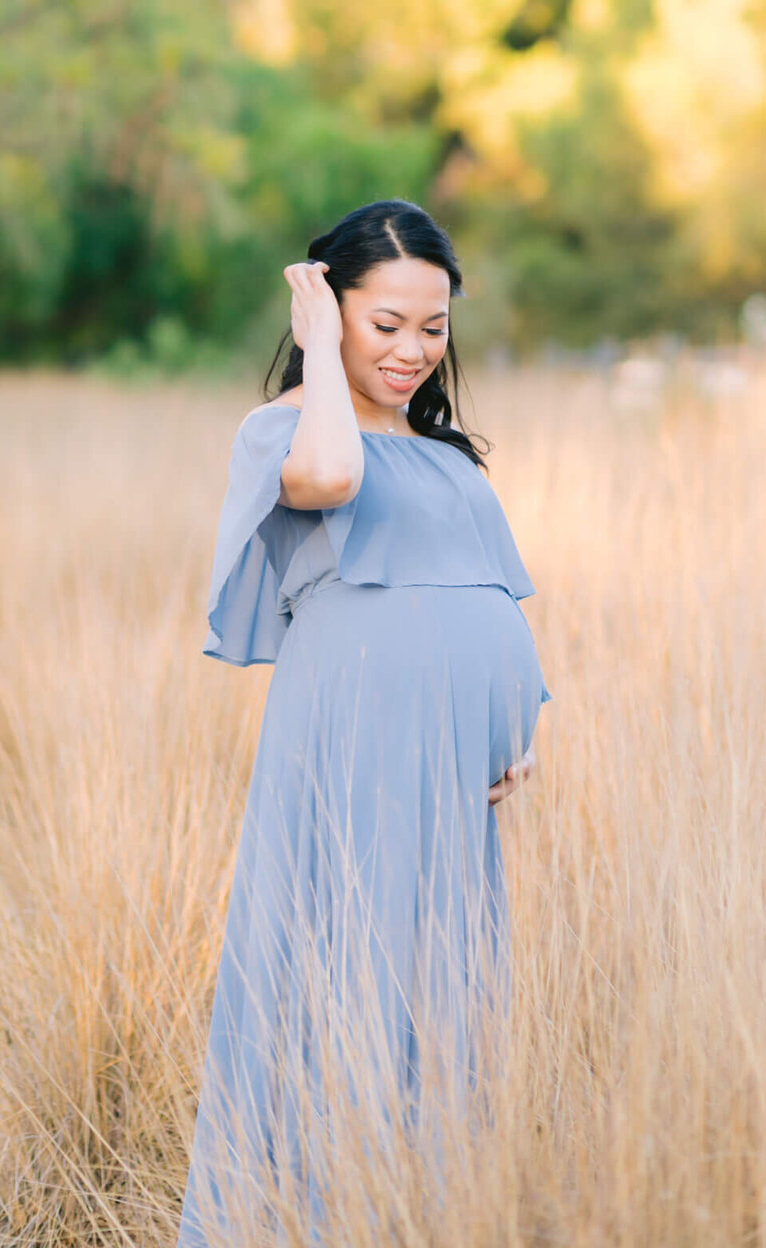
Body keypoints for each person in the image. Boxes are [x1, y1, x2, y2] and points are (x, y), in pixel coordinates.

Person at [176, 199, 551, 1247]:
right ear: (328, 307)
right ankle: (305, 1215)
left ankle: (413, 1214)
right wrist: (316, 354)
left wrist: (521, 725)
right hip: (352, 745)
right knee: (344, 964)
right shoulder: (287, 432)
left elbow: (494, 600)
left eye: (433, 327)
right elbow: (334, 475)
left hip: (455, 774)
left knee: (440, 987)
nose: (413, 351)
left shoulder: (452, 456)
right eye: (384, 323)